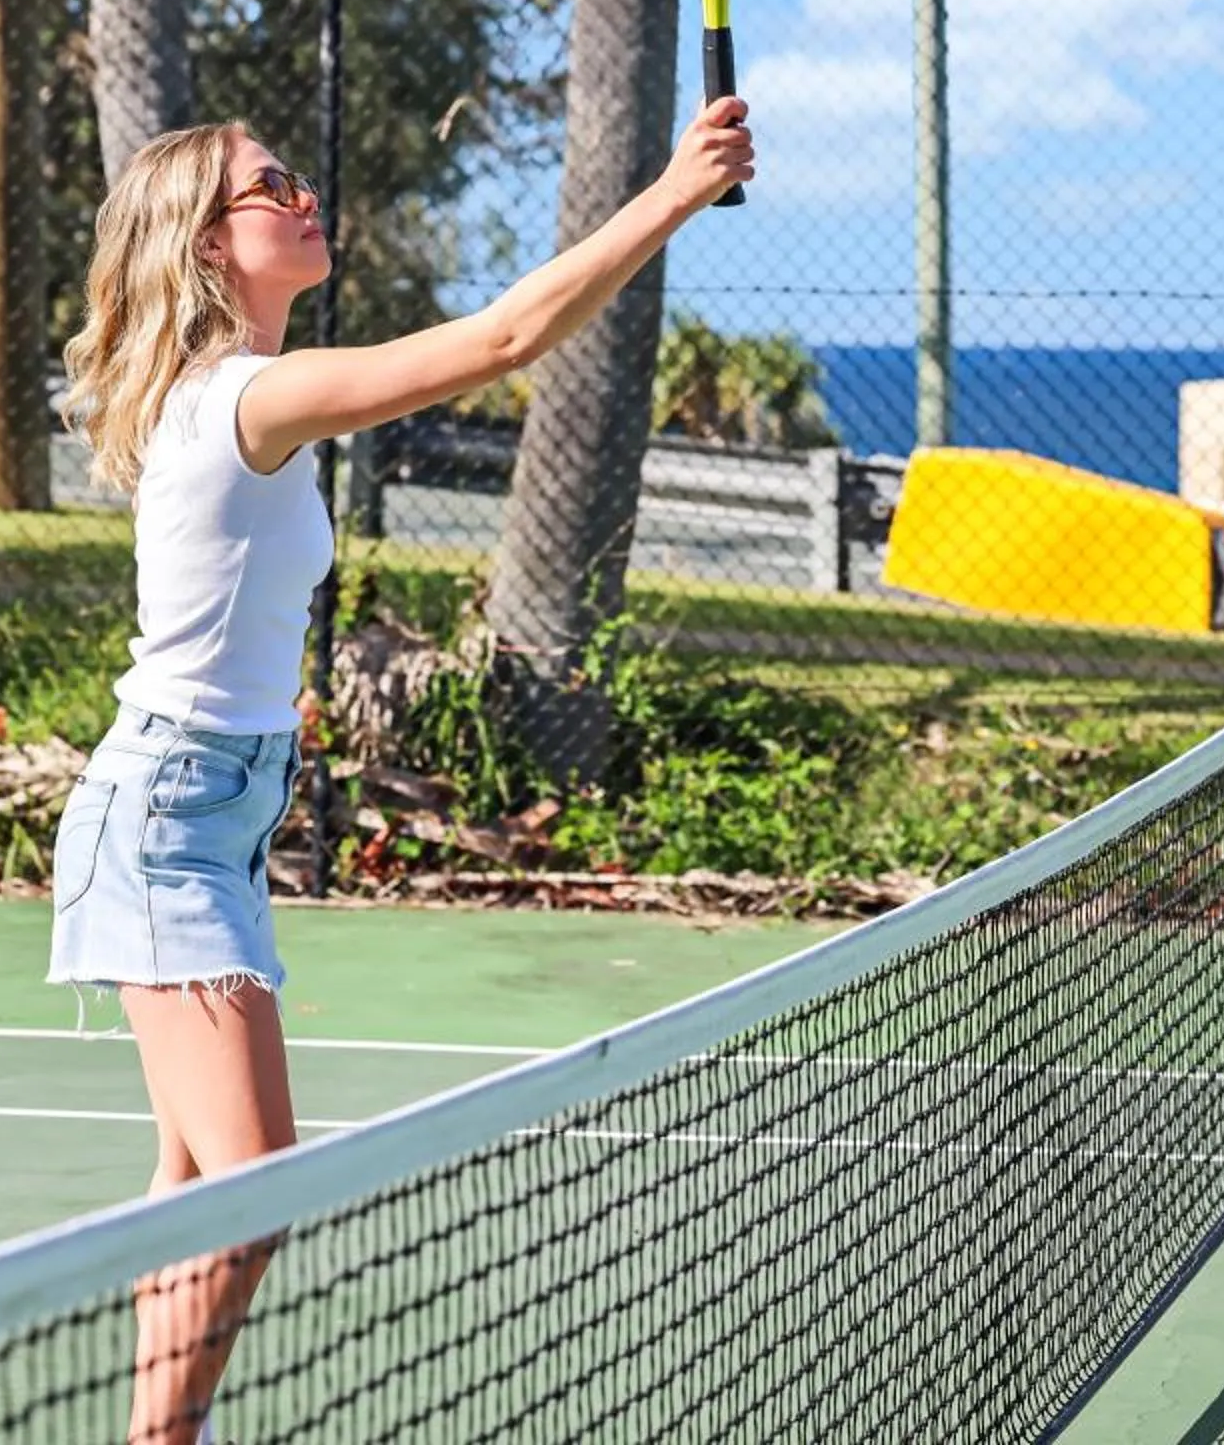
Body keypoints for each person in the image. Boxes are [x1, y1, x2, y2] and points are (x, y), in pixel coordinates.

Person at [50, 96, 754, 1442]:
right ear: (206, 243)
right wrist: (671, 192)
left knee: (195, 1180)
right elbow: (501, 341)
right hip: (166, 825)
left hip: (212, 816)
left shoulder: (239, 399)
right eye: (272, 188)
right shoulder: (249, 396)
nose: (304, 197)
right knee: (252, 1191)